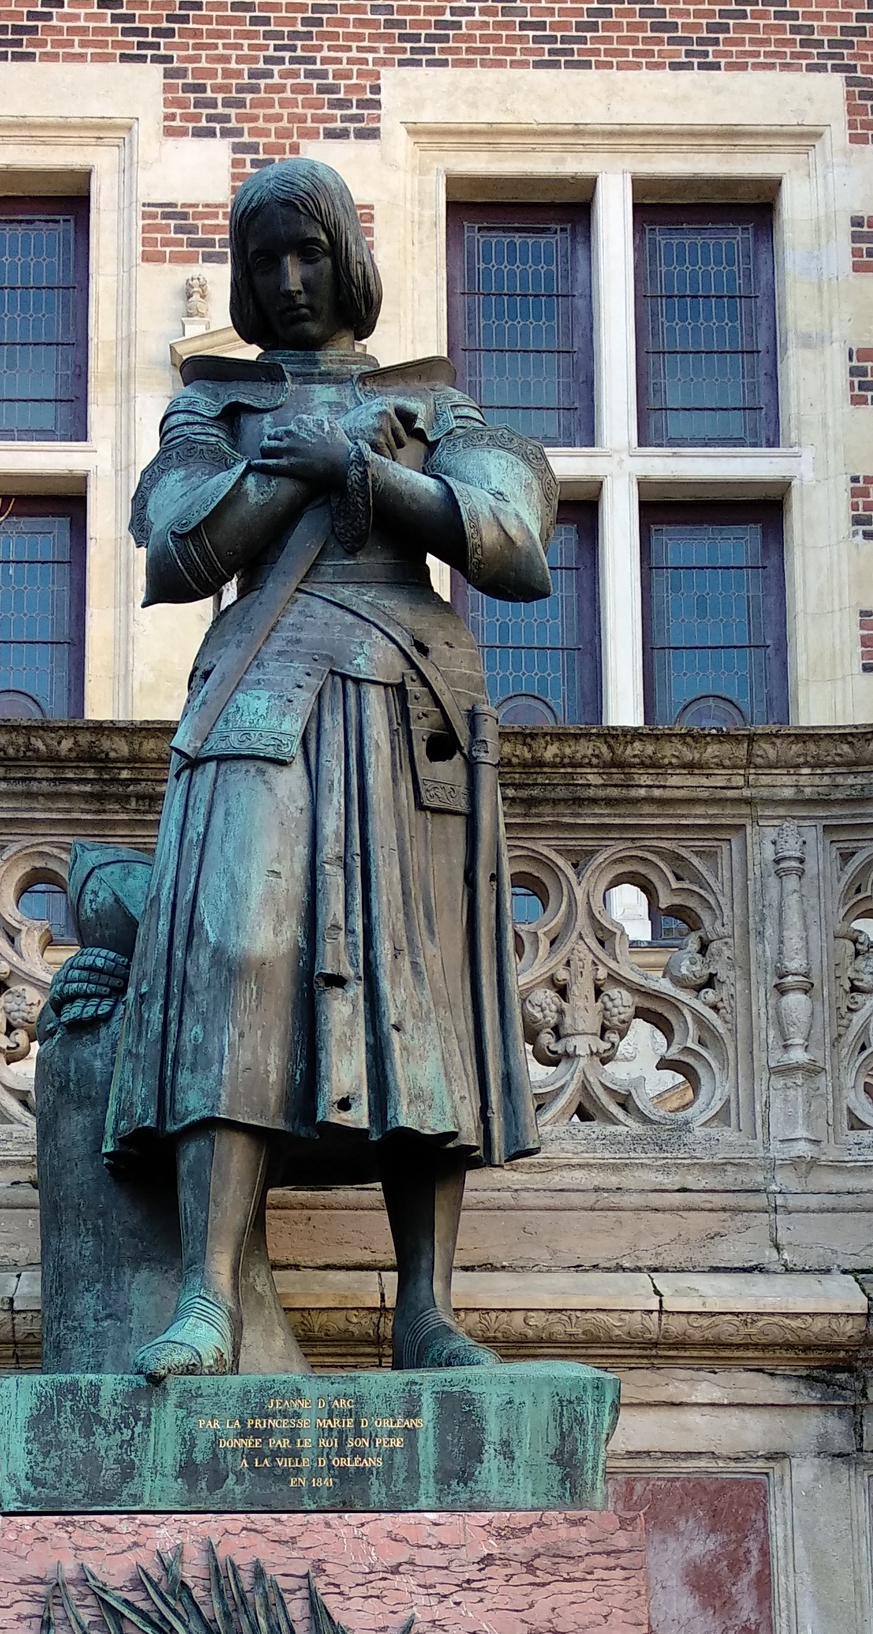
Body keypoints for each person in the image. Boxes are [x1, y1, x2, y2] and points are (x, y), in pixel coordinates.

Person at [108, 158, 555, 1380]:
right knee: (232, 963)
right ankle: (203, 1300)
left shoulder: (439, 405)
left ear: (349, 263)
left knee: (418, 986)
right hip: (256, 697)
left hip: (405, 706)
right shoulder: (212, 408)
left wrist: (364, 471)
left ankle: (426, 1310)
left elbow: (512, 539)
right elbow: (179, 542)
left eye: (310, 253)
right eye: (265, 261)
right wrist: (288, 463)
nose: (290, 279)